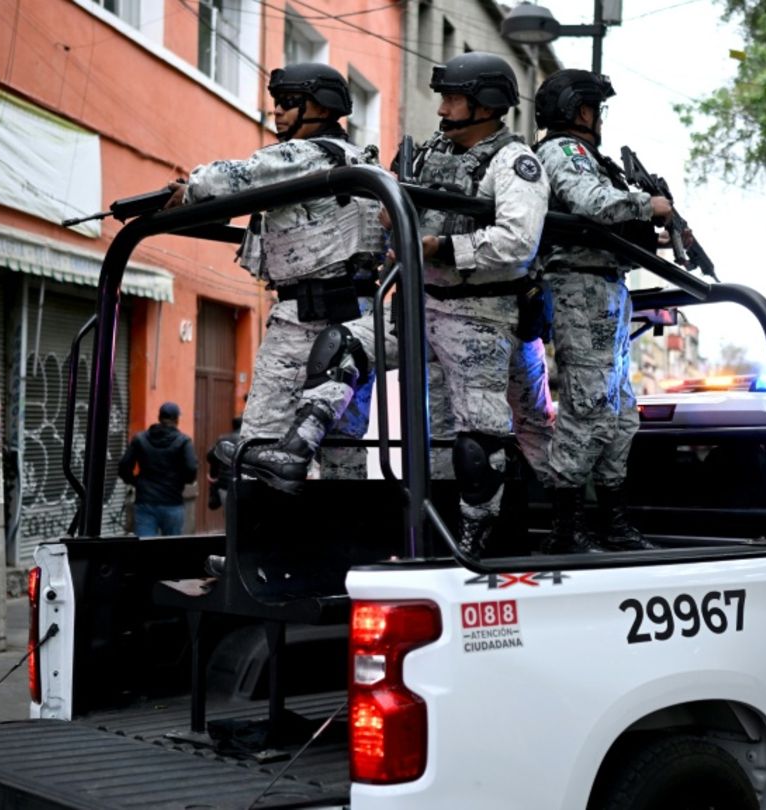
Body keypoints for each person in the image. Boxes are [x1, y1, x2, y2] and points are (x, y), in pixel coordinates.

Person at [170, 63, 384, 495]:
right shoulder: (359, 160)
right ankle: (343, 549)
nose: (278, 113)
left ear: (321, 108)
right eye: (275, 104)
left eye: (288, 103)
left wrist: (187, 191)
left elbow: (231, 178)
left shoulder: (303, 156)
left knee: (258, 443)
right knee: (342, 446)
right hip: (356, 318)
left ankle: (255, 552)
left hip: (305, 318)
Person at [410, 52, 554, 556]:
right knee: (435, 440)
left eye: (452, 98)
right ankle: (433, 537)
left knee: (483, 440)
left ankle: (482, 542)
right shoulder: (430, 155)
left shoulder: (516, 163)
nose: (443, 109)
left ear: (485, 103)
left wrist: (444, 248)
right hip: (425, 308)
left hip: (486, 313)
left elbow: (517, 241)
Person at [533, 69, 673, 552]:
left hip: (607, 289)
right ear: (581, 111)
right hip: (580, 287)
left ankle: (613, 524)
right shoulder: (562, 152)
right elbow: (592, 203)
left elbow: (605, 218)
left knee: (620, 416)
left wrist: (651, 232)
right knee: (589, 411)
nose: (599, 119)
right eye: (596, 109)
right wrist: (649, 205)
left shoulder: (591, 158)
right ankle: (566, 530)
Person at [118, 402, 198, 536]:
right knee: (171, 551)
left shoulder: (140, 439)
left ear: (159, 417)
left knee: (145, 550)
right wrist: (181, 482)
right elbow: (191, 469)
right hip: (173, 502)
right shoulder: (184, 442)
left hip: (145, 502)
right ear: (176, 419)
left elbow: (123, 466)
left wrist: (136, 482)